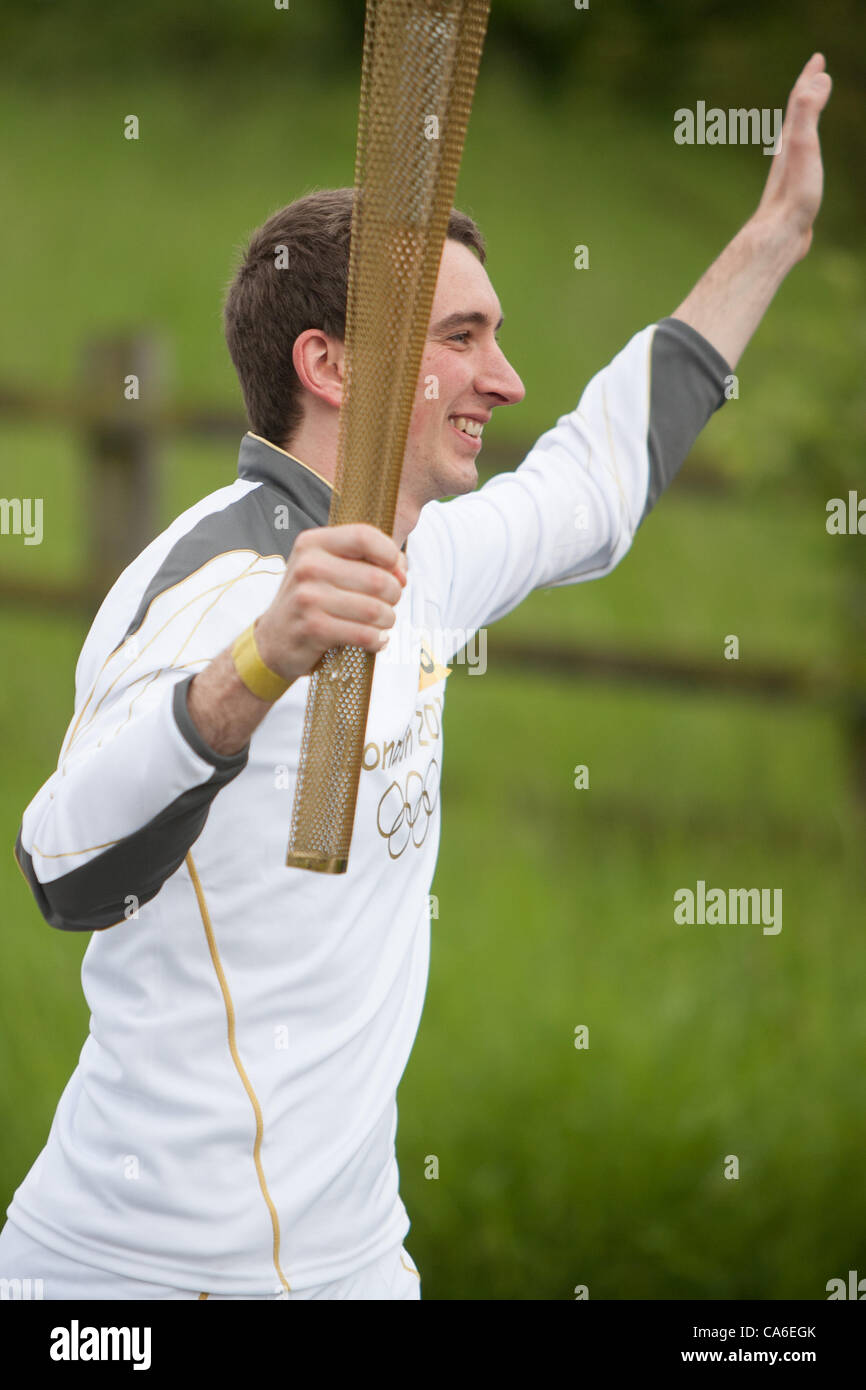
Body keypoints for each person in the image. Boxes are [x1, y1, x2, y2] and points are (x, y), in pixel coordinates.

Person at [0, 54, 832, 1300]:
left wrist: (771, 239)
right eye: (463, 337)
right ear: (333, 366)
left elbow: (591, 484)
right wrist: (260, 664)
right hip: (135, 1276)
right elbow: (62, 865)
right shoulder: (214, 590)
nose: (503, 378)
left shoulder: (420, 553)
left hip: (350, 1263)